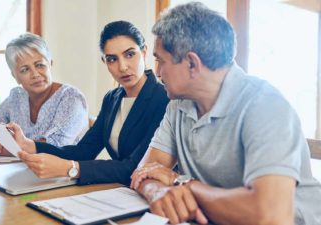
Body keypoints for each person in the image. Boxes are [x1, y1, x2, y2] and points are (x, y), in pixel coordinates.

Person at [130, 2, 321, 225]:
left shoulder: (265, 105)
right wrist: (157, 191)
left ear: (192, 63)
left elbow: (270, 216)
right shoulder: (178, 105)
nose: (157, 72)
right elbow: (145, 171)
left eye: (160, 61)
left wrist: (183, 183)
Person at [8, 21, 169, 185]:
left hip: (153, 192)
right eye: (112, 59)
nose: (122, 67)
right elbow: (83, 151)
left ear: (144, 52)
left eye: (129, 54)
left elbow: (135, 166)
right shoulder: (112, 99)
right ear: (104, 62)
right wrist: (31, 146)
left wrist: (71, 168)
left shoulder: (163, 98)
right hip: (119, 190)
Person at [0, 33, 88, 156]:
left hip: (64, 173)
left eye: (39, 65)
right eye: (25, 70)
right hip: (21, 170)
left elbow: (54, 146)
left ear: (50, 64)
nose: (35, 74)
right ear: (15, 76)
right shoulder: (17, 97)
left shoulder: (71, 97)